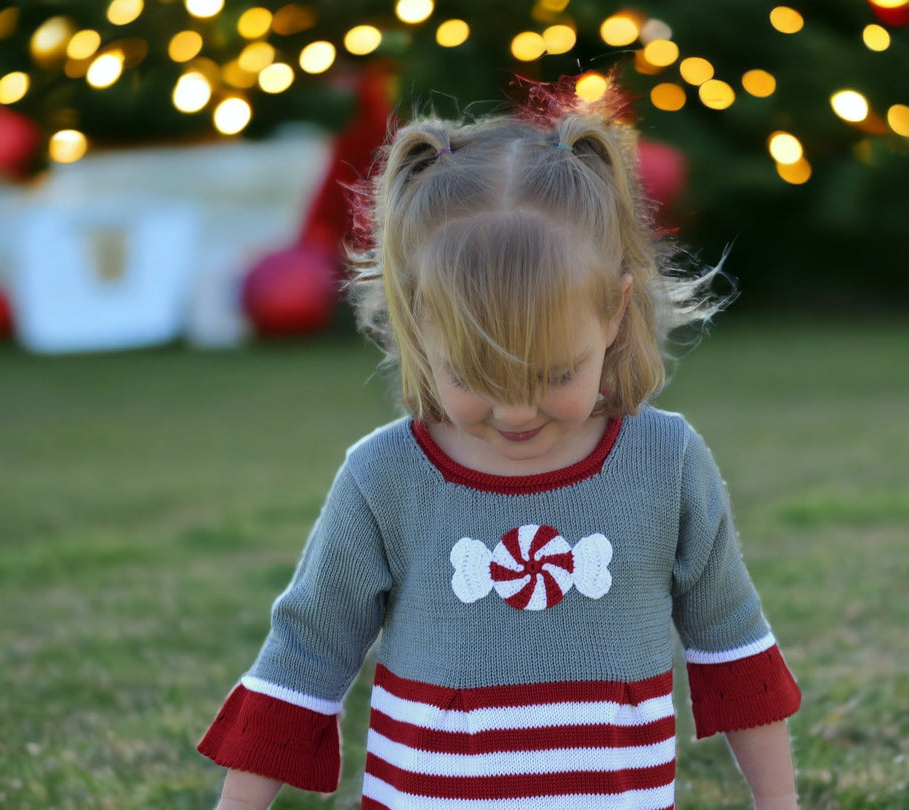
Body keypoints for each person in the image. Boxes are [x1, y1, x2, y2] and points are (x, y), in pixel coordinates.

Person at [198, 100, 802, 810]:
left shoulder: (664, 465)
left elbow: (734, 649)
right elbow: (305, 656)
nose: (516, 411)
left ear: (613, 313)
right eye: (475, 377)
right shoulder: (385, 478)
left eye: (552, 375)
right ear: (419, 325)